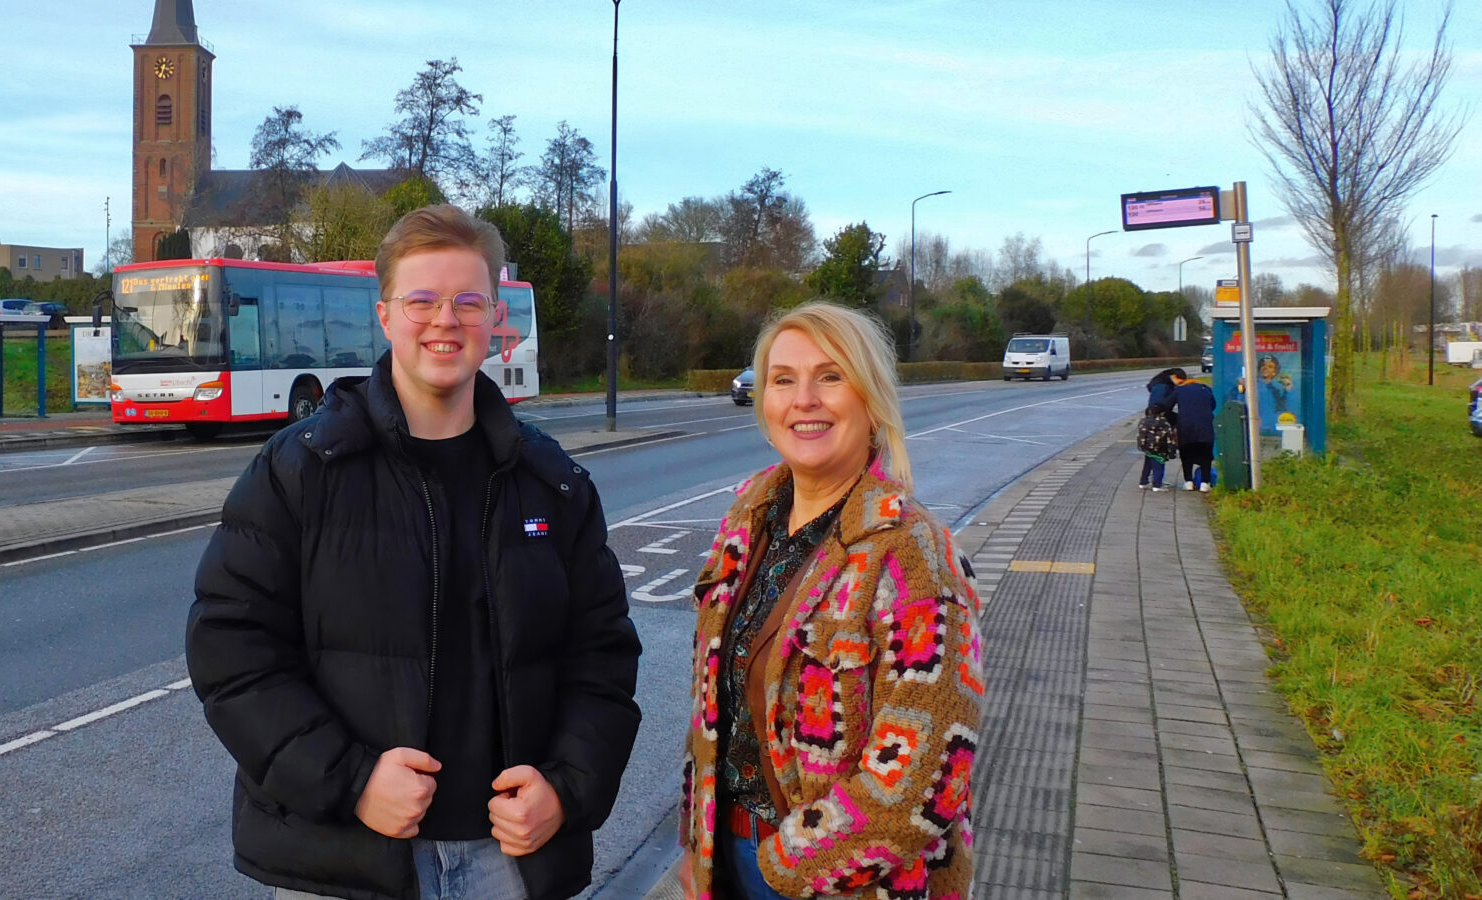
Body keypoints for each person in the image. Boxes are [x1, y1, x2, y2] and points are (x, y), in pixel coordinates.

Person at [187, 204, 643, 900]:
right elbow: (231, 649)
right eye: (422, 300)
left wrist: (568, 789)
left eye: (468, 301)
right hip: (345, 861)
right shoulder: (301, 471)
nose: (444, 320)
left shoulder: (553, 484)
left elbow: (603, 658)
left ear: (497, 320)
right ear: (385, 315)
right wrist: (352, 780)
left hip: (508, 864)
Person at [681, 302, 983, 899]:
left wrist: (782, 869)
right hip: (725, 860)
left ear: (870, 400)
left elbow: (923, 782)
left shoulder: (915, 555)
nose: (804, 399)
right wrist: (698, 844)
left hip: (838, 881)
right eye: (783, 379)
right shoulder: (747, 520)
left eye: (831, 376)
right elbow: (712, 708)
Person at [1171, 371, 1217, 491]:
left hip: (1186, 428)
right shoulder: (1206, 389)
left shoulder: (1179, 390)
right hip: (1205, 428)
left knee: (1186, 456)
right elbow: (1213, 405)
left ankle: (1189, 482)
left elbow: (1166, 404)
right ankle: (1205, 483)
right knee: (1206, 456)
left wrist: (1178, 417)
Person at [1137, 403, 1178, 491]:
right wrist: (1172, 452)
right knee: (1158, 466)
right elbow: (1169, 438)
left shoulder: (1144, 420)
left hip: (1146, 447)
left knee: (1147, 465)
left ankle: (1143, 482)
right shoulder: (1164, 422)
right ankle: (1157, 484)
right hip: (1159, 448)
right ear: (1162, 413)